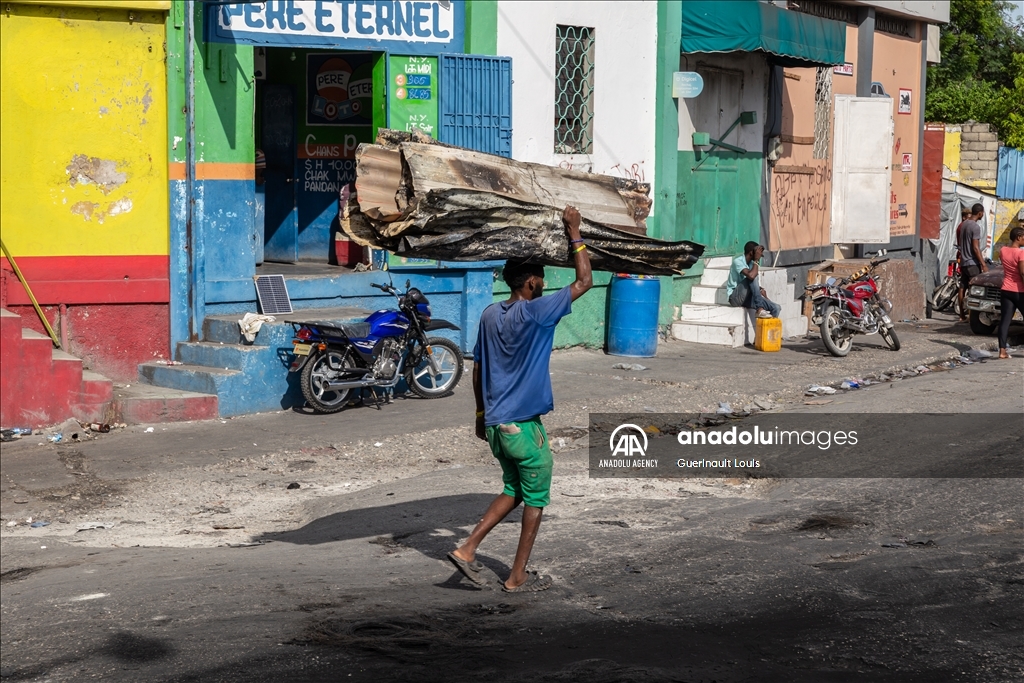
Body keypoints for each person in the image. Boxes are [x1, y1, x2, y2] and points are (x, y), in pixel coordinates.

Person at [447, 205, 592, 593]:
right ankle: (516, 576)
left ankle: (467, 549)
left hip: (495, 424)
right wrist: (574, 233)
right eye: (541, 276)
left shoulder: (490, 314)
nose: (544, 282)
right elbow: (585, 280)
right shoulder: (539, 312)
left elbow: (477, 368)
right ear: (529, 282)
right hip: (523, 428)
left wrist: (480, 414)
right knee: (535, 500)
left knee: (513, 489)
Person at [726, 242, 781, 319]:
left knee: (776, 307)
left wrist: (760, 290)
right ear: (752, 253)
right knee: (753, 276)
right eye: (757, 254)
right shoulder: (737, 261)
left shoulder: (752, 264)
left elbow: (751, 282)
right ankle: (759, 309)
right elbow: (751, 276)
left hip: (747, 298)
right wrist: (756, 260)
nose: (759, 257)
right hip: (735, 298)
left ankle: (768, 330)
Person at [957, 203, 988, 323]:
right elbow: (975, 247)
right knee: (975, 290)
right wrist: (983, 264)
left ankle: (961, 315)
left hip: (964, 261)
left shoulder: (964, 224)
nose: (983, 215)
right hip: (972, 263)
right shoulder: (975, 227)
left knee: (962, 287)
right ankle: (972, 317)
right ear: (980, 213)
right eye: (983, 213)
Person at [997, 226, 1024, 359]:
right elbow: (1022, 273)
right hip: (1019, 291)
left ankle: (1002, 352)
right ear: (1018, 237)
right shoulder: (1020, 253)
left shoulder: (1003, 250)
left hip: (1006, 289)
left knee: (1005, 321)